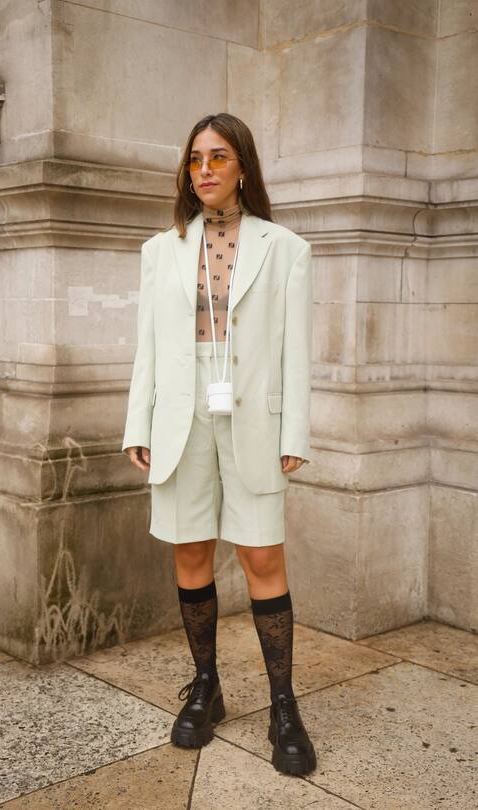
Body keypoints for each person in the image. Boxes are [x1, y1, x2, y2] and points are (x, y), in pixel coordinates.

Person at [122, 112, 316, 777]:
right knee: (192, 546)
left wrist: (295, 431)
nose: (204, 169)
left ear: (243, 167)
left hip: (253, 411)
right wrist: (137, 425)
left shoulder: (285, 247)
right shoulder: (159, 251)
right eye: (195, 159)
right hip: (181, 412)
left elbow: (295, 352)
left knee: (262, 554)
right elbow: (148, 346)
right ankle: (207, 686)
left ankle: (283, 705)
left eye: (218, 157)